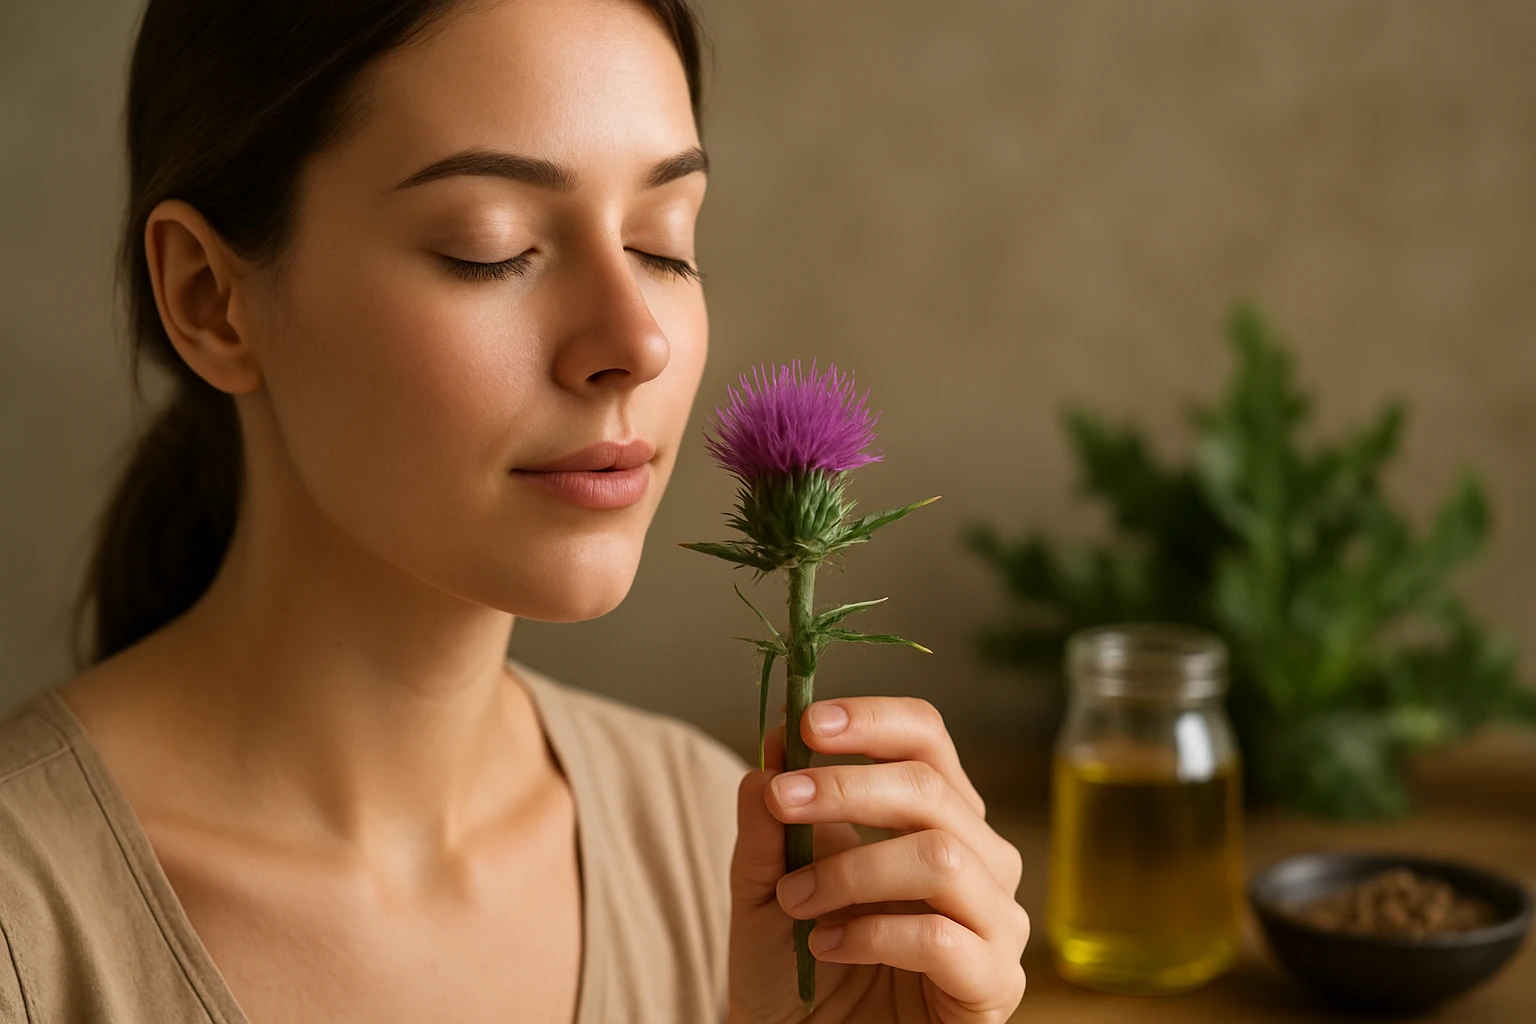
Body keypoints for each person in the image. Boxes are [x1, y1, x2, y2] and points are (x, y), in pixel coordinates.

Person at [0, 0, 1029, 1020]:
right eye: (489, 247)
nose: (639, 340)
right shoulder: (30, 925)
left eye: (664, 242)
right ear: (207, 298)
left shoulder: (735, 851)